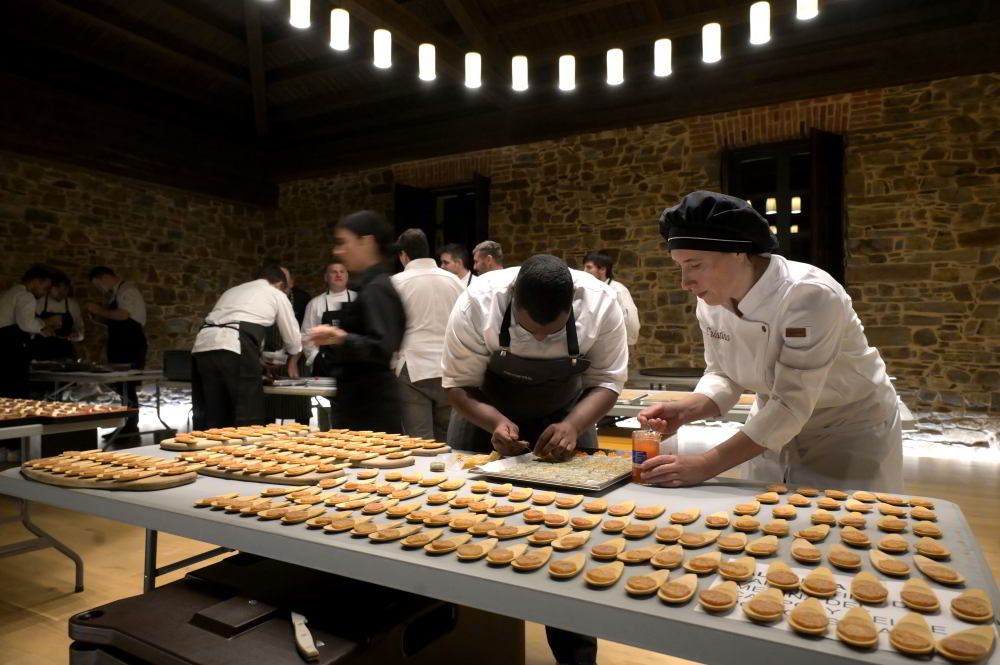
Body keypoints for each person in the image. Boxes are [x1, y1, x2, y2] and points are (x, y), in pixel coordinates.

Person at [638, 191, 903, 492]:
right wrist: (685, 410)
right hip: (767, 424)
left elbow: (792, 402)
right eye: (680, 266)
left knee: (847, 527)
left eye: (695, 264)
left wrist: (707, 464)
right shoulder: (711, 301)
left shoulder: (808, 295)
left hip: (846, 429)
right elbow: (722, 374)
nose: (685, 282)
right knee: (767, 524)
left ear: (738, 253)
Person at [441, 254, 626, 665]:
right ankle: (474, 644)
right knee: (470, 528)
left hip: (568, 413)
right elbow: (459, 386)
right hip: (485, 412)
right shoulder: (478, 302)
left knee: (570, 536)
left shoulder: (599, 304)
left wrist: (574, 424)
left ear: (572, 307)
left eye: (554, 332)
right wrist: (495, 423)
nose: (541, 341)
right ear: (512, 302)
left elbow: (608, 382)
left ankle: (576, 654)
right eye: (529, 330)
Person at [307, 211, 406, 433]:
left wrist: (340, 337)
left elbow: (382, 347)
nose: (337, 251)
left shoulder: (377, 288)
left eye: (343, 243)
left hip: (371, 409)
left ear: (366, 242)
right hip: (360, 404)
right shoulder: (369, 286)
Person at [191, 265, 302, 429]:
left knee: (213, 412)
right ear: (280, 284)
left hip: (202, 347)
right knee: (246, 414)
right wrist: (286, 358)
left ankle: (206, 451)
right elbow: (293, 342)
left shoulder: (233, 291)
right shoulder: (276, 294)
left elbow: (234, 321)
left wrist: (258, 360)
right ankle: (245, 452)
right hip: (233, 345)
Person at [392, 229, 465, 441]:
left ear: (404, 255)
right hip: (449, 365)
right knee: (448, 440)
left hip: (413, 367)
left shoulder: (397, 283)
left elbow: (391, 328)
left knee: (420, 441)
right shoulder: (455, 282)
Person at [87, 266, 148, 437]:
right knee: (122, 386)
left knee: (127, 385)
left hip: (130, 344)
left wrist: (99, 310)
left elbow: (123, 316)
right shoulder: (117, 293)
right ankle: (126, 424)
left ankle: (131, 425)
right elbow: (117, 320)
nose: (99, 289)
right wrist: (100, 318)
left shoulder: (128, 290)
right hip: (121, 343)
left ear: (103, 277)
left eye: (97, 284)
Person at [0, 265, 59, 397]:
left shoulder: (9, 293)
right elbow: (26, 324)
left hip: (3, 348)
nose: (45, 293)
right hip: (10, 350)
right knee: (15, 393)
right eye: (45, 288)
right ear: (36, 281)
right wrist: (48, 323)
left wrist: (40, 330)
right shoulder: (26, 296)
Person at [301, 261, 356, 373]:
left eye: (342, 272)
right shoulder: (315, 303)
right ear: (326, 277)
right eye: (333, 272)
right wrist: (315, 358)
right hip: (324, 365)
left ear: (347, 276)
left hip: (354, 364)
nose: (338, 275)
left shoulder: (358, 299)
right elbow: (306, 335)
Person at [582, 250, 640, 347]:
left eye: (589, 267)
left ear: (603, 269)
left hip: (615, 346)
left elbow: (631, 321)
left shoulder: (618, 290)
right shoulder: (586, 290)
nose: (584, 271)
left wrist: (626, 344)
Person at [30, 269, 84, 361]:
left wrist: (76, 336)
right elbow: (28, 327)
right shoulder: (38, 303)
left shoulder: (72, 305)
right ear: (49, 288)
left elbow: (81, 333)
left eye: (65, 288)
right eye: (57, 288)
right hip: (40, 352)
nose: (61, 292)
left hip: (64, 353)